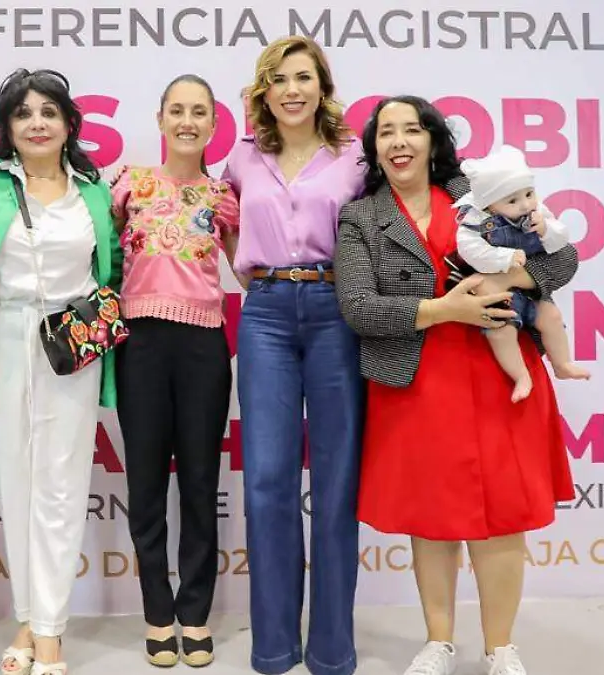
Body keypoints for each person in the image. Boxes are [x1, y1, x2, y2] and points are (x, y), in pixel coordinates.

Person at [333, 95, 579, 675]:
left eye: (411, 130)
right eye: (386, 132)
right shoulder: (360, 217)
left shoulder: (479, 194)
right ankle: (438, 643)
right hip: (416, 382)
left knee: (504, 513)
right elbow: (359, 307)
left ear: (433, 140)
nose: (399, 142)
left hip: (502, 373)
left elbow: (562, 260)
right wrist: (448, 309)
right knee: (432, 515)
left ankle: (501, 648)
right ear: (374, 148)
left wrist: (504, 282)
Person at [0, 68, 122, 675]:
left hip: (70, 345)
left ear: (68, 124)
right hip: (3, 338)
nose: (37, 123)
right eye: (23, 113)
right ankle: (28, 620)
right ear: (6, 126)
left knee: (61, 486)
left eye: (49, 112)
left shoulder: (93, 191)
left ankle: (50, 631)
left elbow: (111, 269)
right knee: (16, 483)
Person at [221, 35, 366, 675]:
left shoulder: (355, 156)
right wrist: (251, 272)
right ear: (264, 92)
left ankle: (332, 650)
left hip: (338, 311)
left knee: (336, 482)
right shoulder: (243, 156)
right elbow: (219, 221)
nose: (291, 90)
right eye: (278, 79)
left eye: (303, 77)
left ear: (322, 87)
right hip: (266, 315)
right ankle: (275, 647)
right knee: (268, 482)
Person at [108, 74, 240, 668]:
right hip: (140, 345)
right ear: (160, 119)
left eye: (199, 112)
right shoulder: (128, 185)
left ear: (213, 125)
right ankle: (158, 614)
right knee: (144, 487)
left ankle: (195, 613)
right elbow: (98, 256)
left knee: (199, 484)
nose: (188, 121)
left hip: (203, 348)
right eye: (177, 110)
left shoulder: (223, 196)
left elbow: (248, 266)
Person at [452, 144, 591, 401]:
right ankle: (520, 375)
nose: (525, 204)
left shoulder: (538, 212)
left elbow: (562, 243)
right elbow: (470, 251)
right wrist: (503, 258)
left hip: (530, 289)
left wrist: (546, 230)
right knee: (501, 332)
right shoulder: (475, 221)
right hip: (498, 296)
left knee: (551, 316)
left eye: (529, 194)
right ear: (490, 205)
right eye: (513, 201)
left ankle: (562, 364)